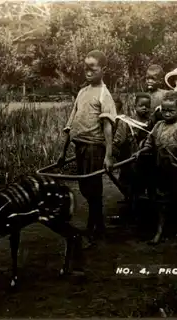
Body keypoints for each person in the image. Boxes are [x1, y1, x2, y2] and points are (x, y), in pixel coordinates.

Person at [58, 50, 117, 244]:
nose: (88, 71)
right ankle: (96, 224)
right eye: (86, 67)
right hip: (80, 145)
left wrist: (108, 155)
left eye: (93, 68)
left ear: (103, 70)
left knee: (92, 187)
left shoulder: (104, 94)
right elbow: (71, 122)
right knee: (84, 187)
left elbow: (108, 127)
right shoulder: (82, 91)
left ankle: (96, 226)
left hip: (94, 147)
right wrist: (63, 152)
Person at [134, 91, 177, 244]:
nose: (167, 114)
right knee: (161, 199)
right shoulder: (158, 126)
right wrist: (141, 151)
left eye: (171, 110)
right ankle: (159, 230)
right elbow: (150, 142)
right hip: (162, 169)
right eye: (164, 110)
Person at [112, 92, 153, 221]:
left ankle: (146, 210)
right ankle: (133, 208)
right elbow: (119, 140)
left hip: (148, 158)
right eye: (141, 105)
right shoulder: (127, 122)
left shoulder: (152, 122)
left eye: (147, 106)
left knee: (149, 184)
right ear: (135, 106)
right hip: (131, 160)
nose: (144, 108)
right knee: (131, 184)